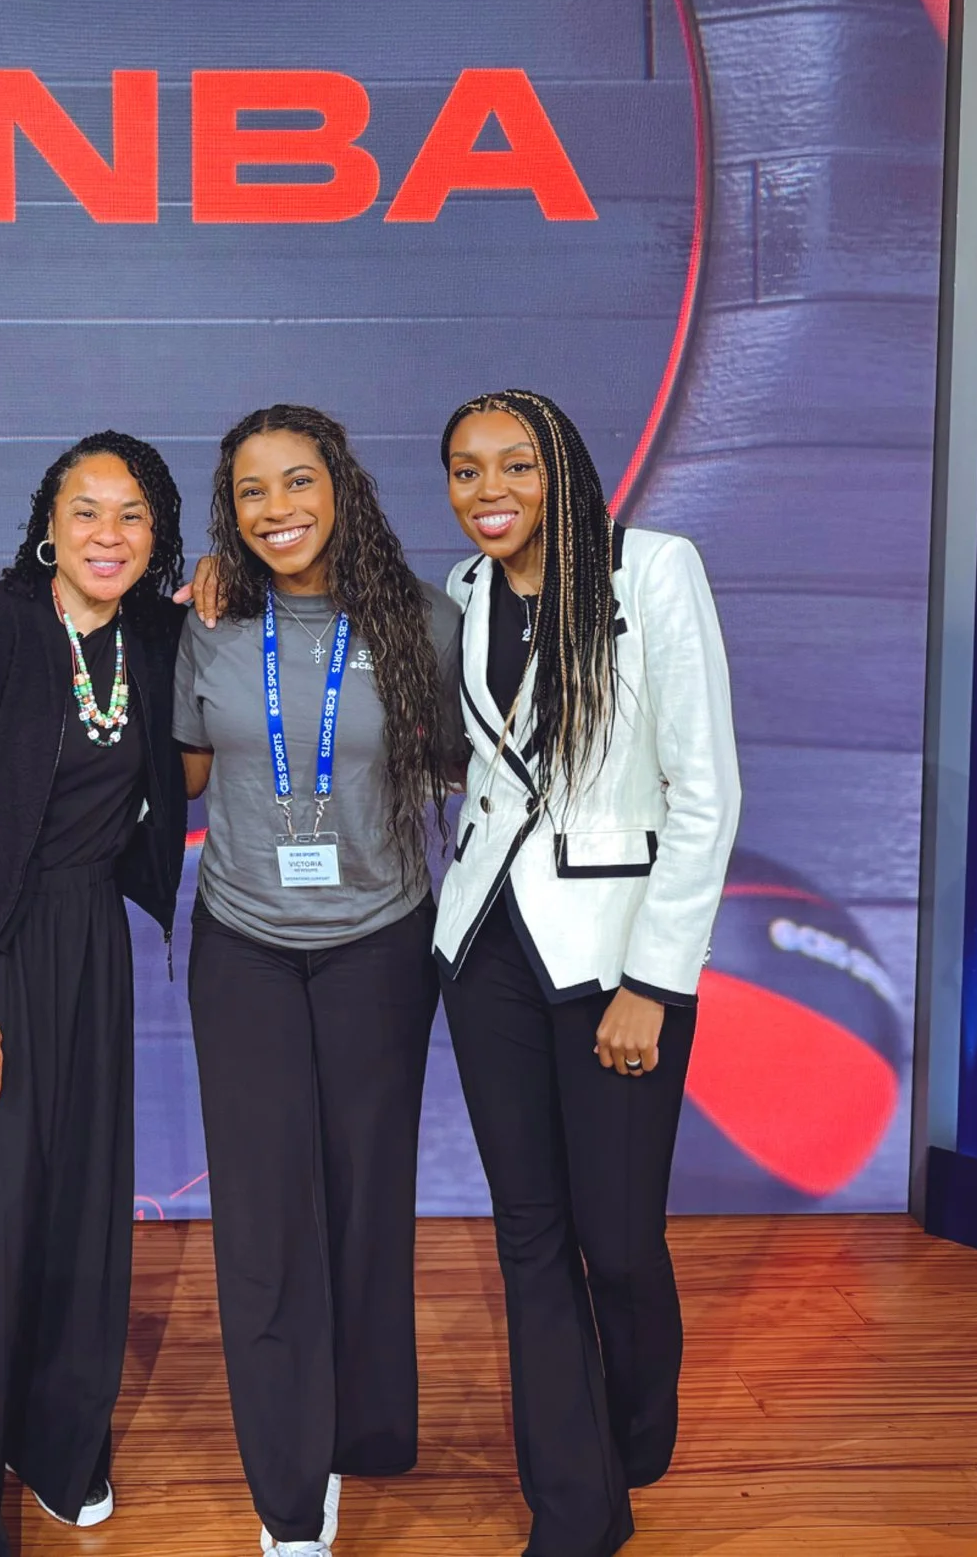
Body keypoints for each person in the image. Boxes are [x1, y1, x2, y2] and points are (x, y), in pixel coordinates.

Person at [433, 389, 740, 1557]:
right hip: (487, 950)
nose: (489, 490)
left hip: (614, 955)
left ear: (562, 466)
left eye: (514, 463)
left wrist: (655, 982)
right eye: (466, 469)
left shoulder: (650, 570)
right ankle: (574, 1506)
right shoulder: (463, 592)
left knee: (614, 1239)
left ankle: (633, 1428)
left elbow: (704, 792)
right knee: (529, 1233)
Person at [0, 432, 190, 1557]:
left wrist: (218, 587)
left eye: (133, 515)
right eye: (85, 511)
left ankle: (59, 1448)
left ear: (158, 536)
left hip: (89, 944)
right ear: (47, 526)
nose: (108, 533)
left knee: (78, 1218)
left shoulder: (154, 636)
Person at [175, 404, 463, 1557]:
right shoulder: (209, 623)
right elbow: (183, 774)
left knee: (366, 1196)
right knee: (262, 1217)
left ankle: (365, 1427)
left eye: (297, 481)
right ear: (230, 513)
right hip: (243, 942)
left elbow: (462, 768)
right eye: (251, 491)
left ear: (340, 486)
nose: (276, 508)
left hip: (379, 941)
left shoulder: (423, 623)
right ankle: (291, 1492)